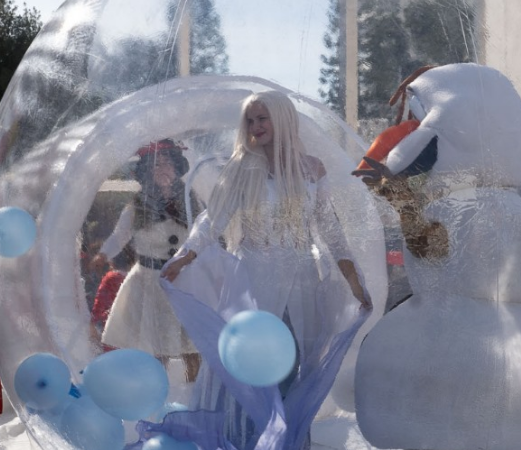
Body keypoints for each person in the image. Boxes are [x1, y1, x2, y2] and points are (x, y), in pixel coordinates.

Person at [159, 90, 371, 450]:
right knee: (246, 367)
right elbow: (214, 219)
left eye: (263, 118)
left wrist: (352, 277)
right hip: (253, 281)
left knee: (292, 365)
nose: (256, 127)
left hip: (302, 282)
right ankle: (245, 441)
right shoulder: (241, 167)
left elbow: (330, 228)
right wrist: (186, 255)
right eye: (250, 121)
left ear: (283, 118)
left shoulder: (312, 169)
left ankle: (286, 443)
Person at [93, 139, 201, 381]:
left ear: (177, 167)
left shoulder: (191, 201)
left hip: (184, 278)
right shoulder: (138, 207)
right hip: (150, 280)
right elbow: (120, 236)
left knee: (190, 339)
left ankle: (194, 387)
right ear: (146, 173)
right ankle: (156, 385)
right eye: (155, 165)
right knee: (155, 339)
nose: (162, 169)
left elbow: (204, 233)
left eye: (167, 164)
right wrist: (104, 254)